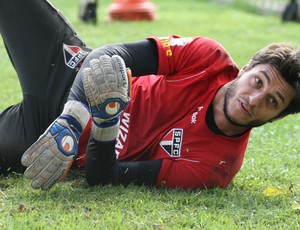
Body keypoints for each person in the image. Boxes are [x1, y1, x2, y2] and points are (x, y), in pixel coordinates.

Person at [1, 0, 300, 191]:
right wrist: (74, 115)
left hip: (44, 138)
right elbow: (111, 55)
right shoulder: (208, 56)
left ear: (277, 117)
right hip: (69, 71)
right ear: (245, 69)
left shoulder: (215, 167)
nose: (255, 99)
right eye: (258, 81)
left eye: (273, 102)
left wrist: (107, 124)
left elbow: (106, 176)